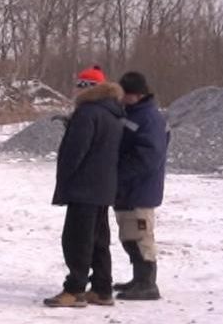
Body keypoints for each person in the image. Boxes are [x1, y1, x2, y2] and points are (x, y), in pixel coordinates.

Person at [44, 67, 126, 308]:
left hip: (84, 186)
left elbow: (75, 151)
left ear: (87, 88)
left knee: (76, 239)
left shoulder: (87, 113)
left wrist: (65, 178)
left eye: (77, 84)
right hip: (103, 186)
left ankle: (75, 289)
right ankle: (102, 288)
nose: (73, 89)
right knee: (99, 239)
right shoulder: (114, 112)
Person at [114, 70, 167, 301]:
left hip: (139, 189)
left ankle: (147, 283)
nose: (121, 98)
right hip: (128, 190)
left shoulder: (149, 118)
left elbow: (148, 156)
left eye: (124, 94)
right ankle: (138, 279)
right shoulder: (134, 114)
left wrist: (118, 173)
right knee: (129, 235)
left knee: (141, 236)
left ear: (135, 94)